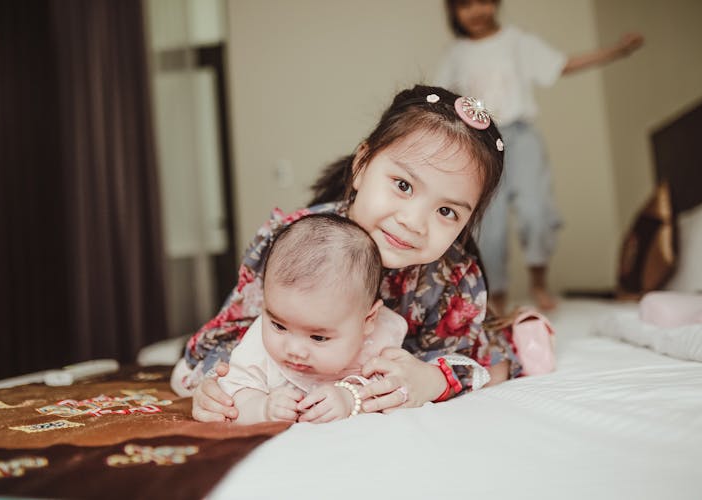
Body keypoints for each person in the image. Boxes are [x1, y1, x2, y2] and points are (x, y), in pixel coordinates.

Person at [171, 84, 518, 423]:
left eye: (447, 212)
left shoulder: (452, 277)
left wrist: (432, 380)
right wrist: (214, 386)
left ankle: (522, 327)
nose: (414, 223)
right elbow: (226, 337)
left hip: (370, 375)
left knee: (507, 356)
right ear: (362, 164)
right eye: (403, 185)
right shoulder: (291, 242)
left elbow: (474, 362)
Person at [437, 0, 644, 312]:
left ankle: (538, 282)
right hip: (481, 142)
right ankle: (497, 297)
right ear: (454, 12)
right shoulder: (457, 54)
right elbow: (440, 100)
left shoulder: (517, 41)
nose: (476, 11)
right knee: (487, 228)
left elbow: (563, 64)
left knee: (535, 213)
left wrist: (617, 50)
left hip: (521, 136)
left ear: (495, 3)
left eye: (482, 2)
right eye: (465, 5)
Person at [220, 213, 413, 424]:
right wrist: (261, 407)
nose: (294, 350)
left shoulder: (378, 344)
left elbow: (392, 393)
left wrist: (350, 399)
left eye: (318, 338)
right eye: (279, 326)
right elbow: (231, 396)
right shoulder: (258, 346)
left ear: (368, 321)